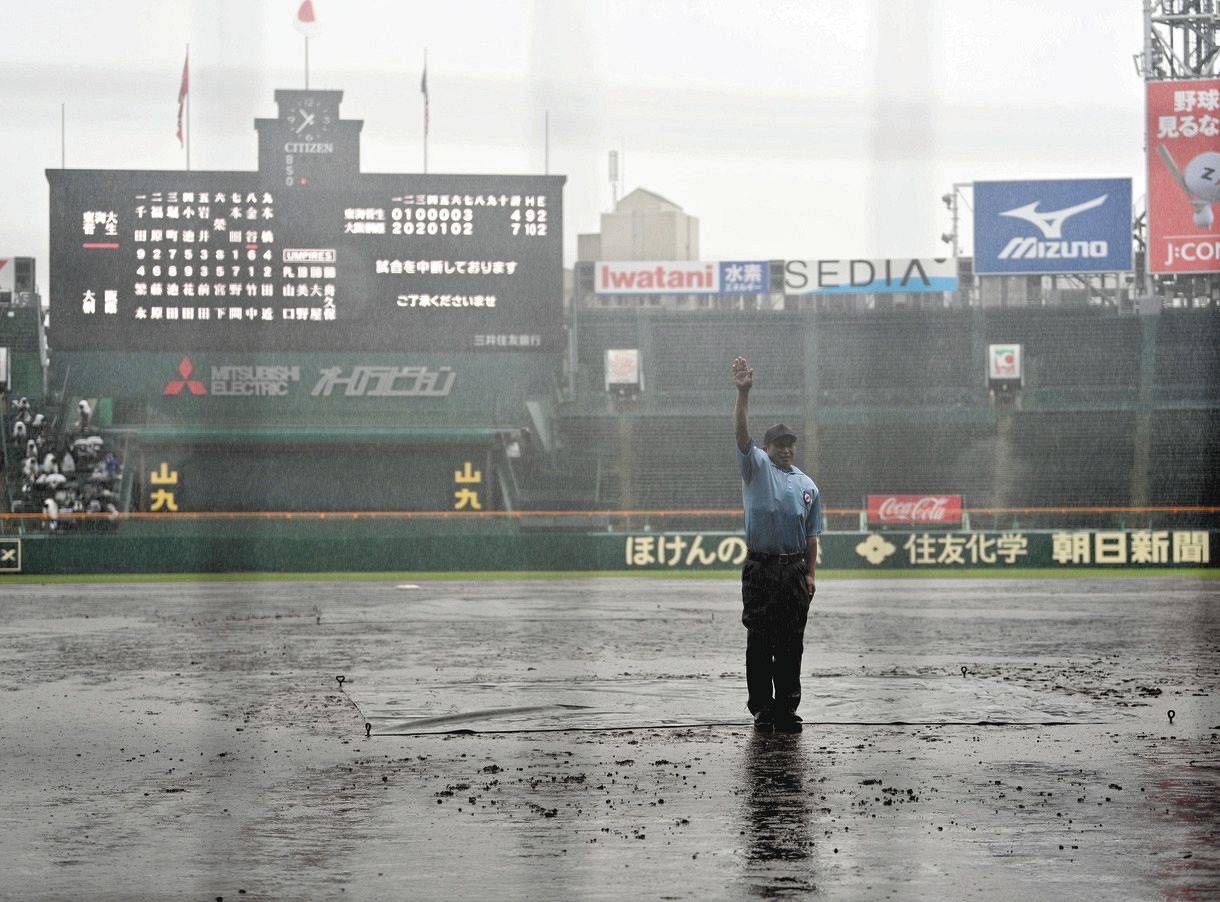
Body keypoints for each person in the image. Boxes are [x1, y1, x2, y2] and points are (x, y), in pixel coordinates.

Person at [732, 355, 824, 733]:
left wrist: (812, 574)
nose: (786, 449)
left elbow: (811, 536)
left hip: (793, 569)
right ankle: (762, 708)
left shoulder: (807, 485)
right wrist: (743, 394)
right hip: (762, 566)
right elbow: (741, 434)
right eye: (779, 444)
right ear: (766, 447)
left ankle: (786, 707)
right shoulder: (756, 467)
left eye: (790, 444)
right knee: (760, 639)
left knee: (791, 641)